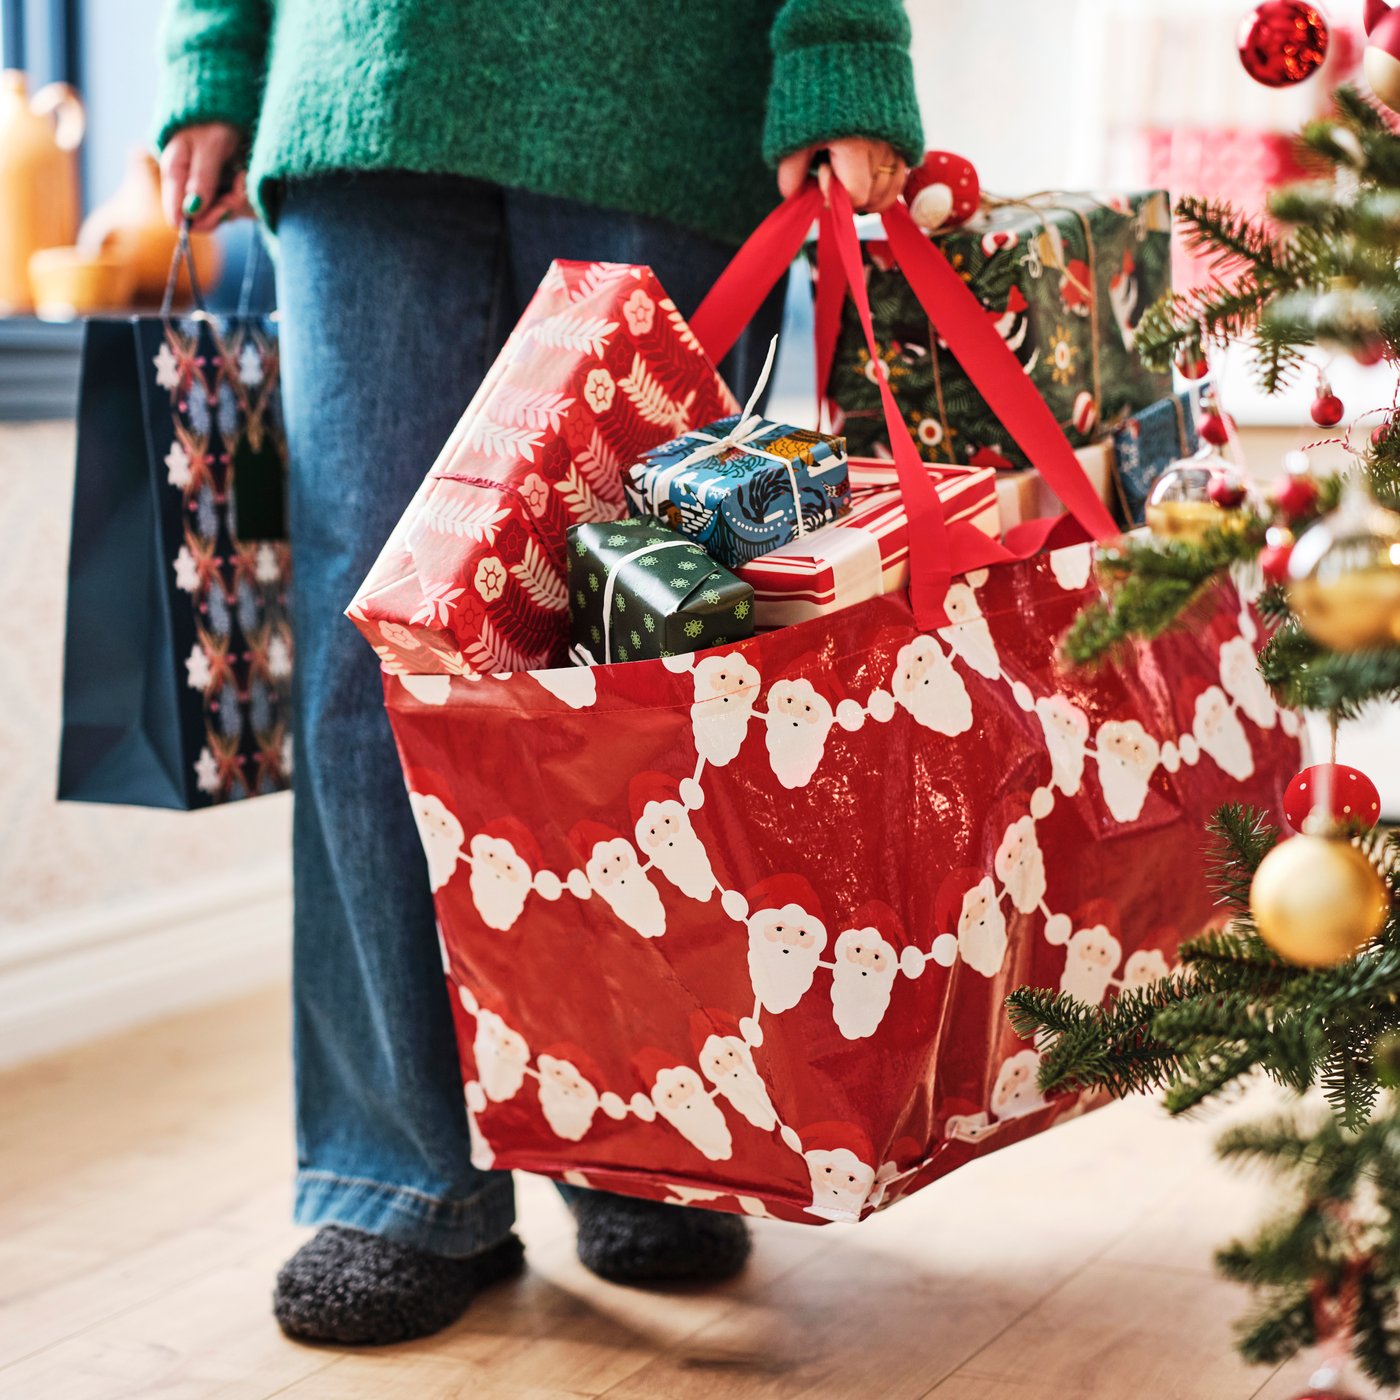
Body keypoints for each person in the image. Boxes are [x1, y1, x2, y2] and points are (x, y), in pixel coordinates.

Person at [154, 0, 922, 1348]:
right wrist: (214, 53)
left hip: (667, 86)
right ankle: (399, 1172)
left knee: (643, 643)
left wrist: (842, 44)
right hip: (363, 95)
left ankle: (642, 1134)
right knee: (373, 645)